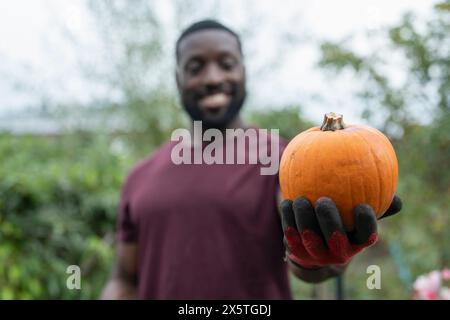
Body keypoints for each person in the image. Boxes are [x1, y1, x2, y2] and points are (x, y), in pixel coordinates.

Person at [101, 19, 402, 300]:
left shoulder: (289, 160)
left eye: (226, 64)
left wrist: (318, 259)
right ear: (178, 79)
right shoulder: (139, 177)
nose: (213, 78)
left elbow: (304, 260)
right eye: (195, 67)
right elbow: (125, 278)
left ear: (243, 71)